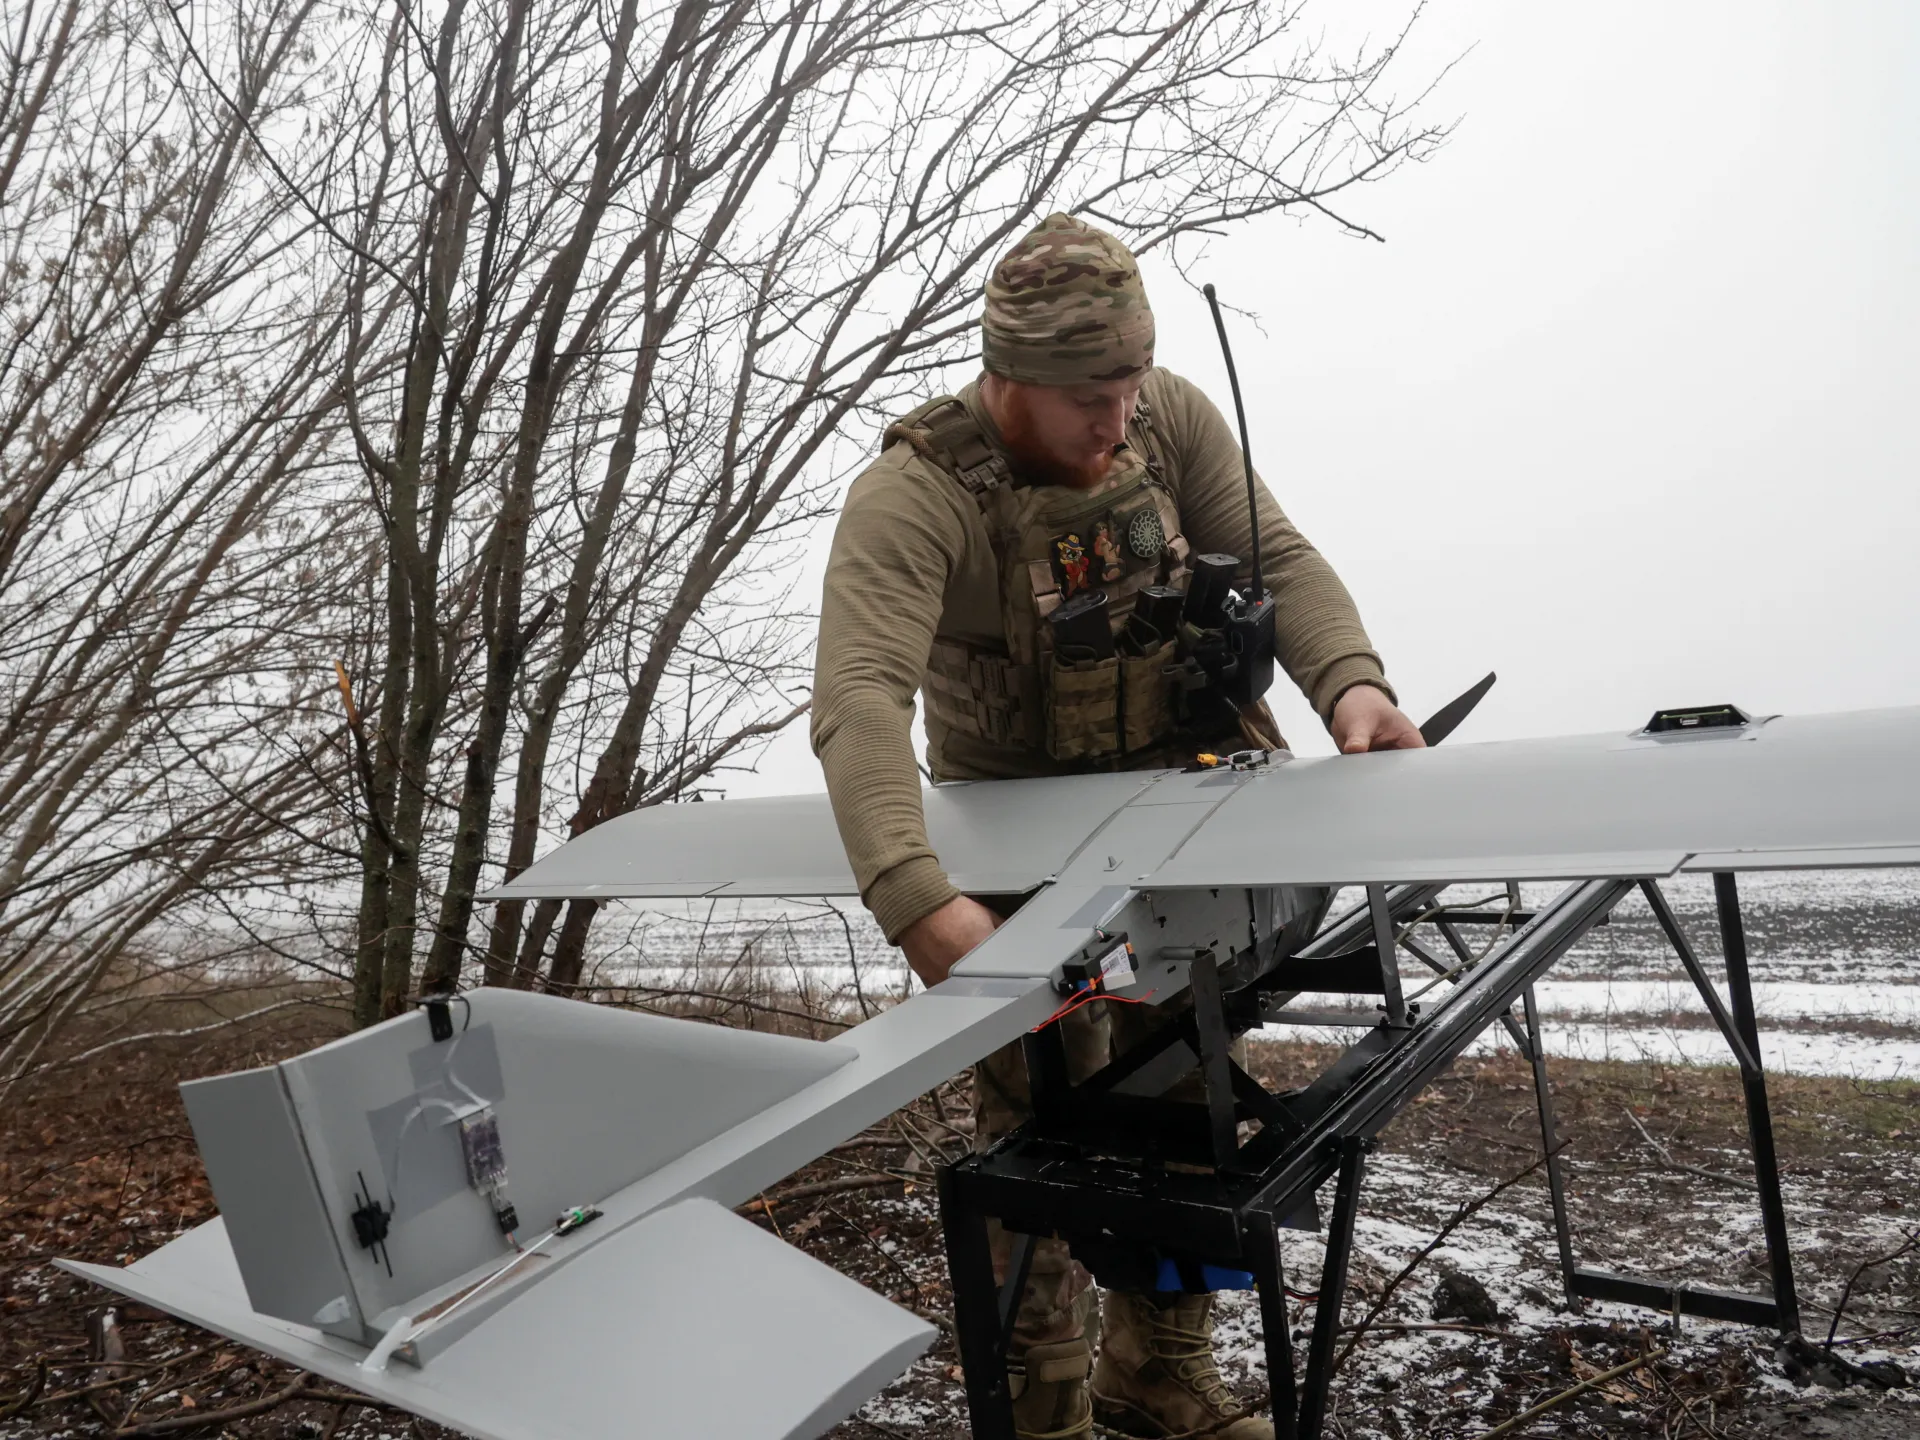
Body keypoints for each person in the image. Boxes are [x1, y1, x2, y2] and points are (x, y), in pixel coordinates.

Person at [811, 213, 1423, 1440]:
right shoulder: (918, 494)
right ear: (1010, 376)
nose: (1118, 416)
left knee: (1191, 1096)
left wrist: (1354, 686)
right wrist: (920, 901)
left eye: (1131, 382)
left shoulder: (1167, 418)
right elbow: (858, 696)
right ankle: (1044, 1415)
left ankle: (1160, 1373)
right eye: (1090, 396)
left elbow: (1278, 555)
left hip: (1180, 818)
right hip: (1020, 857)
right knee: (1039, 1137)